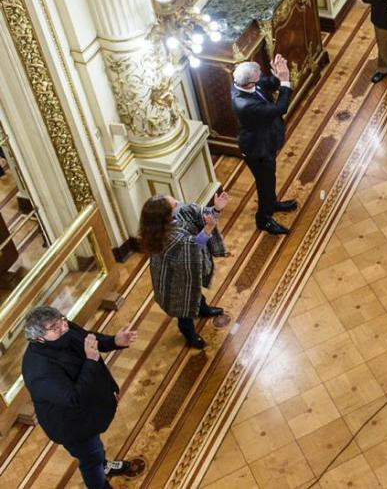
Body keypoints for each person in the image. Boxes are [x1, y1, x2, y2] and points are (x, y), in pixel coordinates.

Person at [21, 306, 144, 488]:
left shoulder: (63, 328)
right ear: (38, 338)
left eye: (63, 320)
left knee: (96, 450)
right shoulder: (38, 369)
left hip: (89, 407)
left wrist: (114, 342)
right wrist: (91, 360)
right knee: (91, 459)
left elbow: (88, 339)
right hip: (72, 425)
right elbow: (74, 397)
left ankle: (105, 465)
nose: (64, 327)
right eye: (55, 327)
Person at [138, 192, 229, 349]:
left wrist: (215, 209)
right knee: (183, 306)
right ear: (165, 216)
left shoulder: (176, 216)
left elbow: (197, 213)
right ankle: (189, 333)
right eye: (175, 204)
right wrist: (208, 228)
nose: (179, 204)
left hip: (185, 270)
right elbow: (194, 246)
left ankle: (202, 308)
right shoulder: (167, 237)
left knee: (195, 291)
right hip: (175, 278)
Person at [232, 57, 296, 236]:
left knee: (270, 178)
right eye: (258, 76)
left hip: (266, 141)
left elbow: (268, 83)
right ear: (248, 82)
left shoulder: (246, 81)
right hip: (256, 149)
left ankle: (272, 203)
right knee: (264, 183)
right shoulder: (245, 104)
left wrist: (278, 75)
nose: (261, 77)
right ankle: (263, 219)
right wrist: (285, 81)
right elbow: (280, 108)